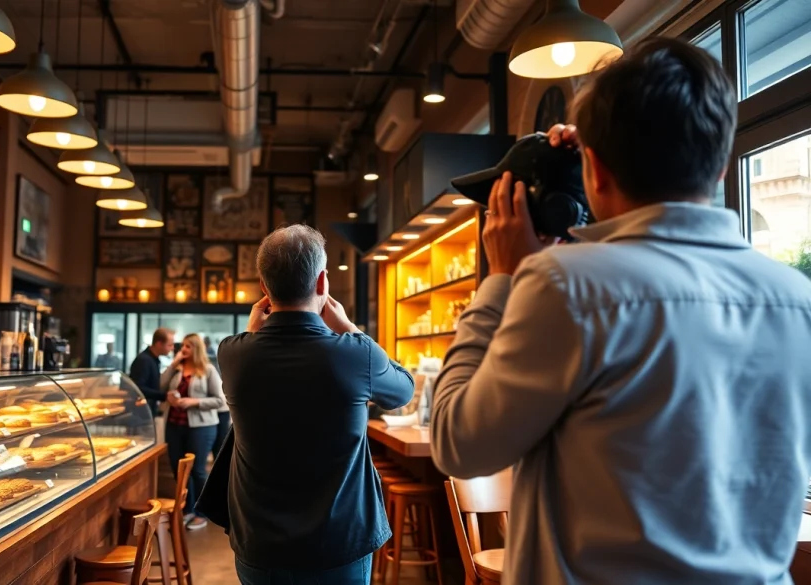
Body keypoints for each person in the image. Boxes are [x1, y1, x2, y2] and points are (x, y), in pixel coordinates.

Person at [431, 37, 811, 585]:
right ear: (723, 167)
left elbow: (456, 442)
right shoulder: (795, 299)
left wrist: (502, 281)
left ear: (597, 171)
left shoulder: (566, 288)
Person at [217, 225, 414, 584]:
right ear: (323, 283)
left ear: (264, 287)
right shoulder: (356, 355)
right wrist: (350, 327)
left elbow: (251, 352)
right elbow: (403, 392)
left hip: (259, 544)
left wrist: (251, 334)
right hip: (338, 544)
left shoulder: (231, 353)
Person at [160, 333, 225, 531]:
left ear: (196, 348)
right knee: (178, 469)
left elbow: (219, 400)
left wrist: (194, 402)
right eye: (182, 346)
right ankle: (186, 509)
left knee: (197, 470)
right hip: (174, 425)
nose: (183, 349)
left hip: (201, 427)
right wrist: (172, 366)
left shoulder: (208, 370)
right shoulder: (176, 369)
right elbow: (161, 386)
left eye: (188, 346)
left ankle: (202, 512)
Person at [129, 328, 175, 417]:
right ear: (159, 344)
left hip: (146, 412)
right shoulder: (144, 360)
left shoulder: (152, 359)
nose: (172, 348)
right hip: (141, 414)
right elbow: (138, 388)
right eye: (169, 345)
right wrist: (164, 396)